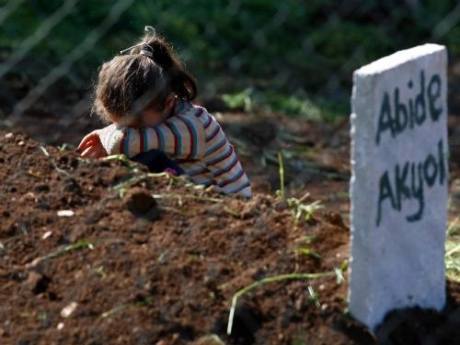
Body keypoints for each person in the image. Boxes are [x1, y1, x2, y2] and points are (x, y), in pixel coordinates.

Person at [77, 26, 251, 198]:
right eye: (120, 125)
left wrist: (103, 134)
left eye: (136, 126)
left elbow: (120, 143)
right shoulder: (160, 119)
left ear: (168, 102)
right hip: (198, 193)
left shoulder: (193, 124)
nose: (128, 130)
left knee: (147, 157)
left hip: (228, 203)